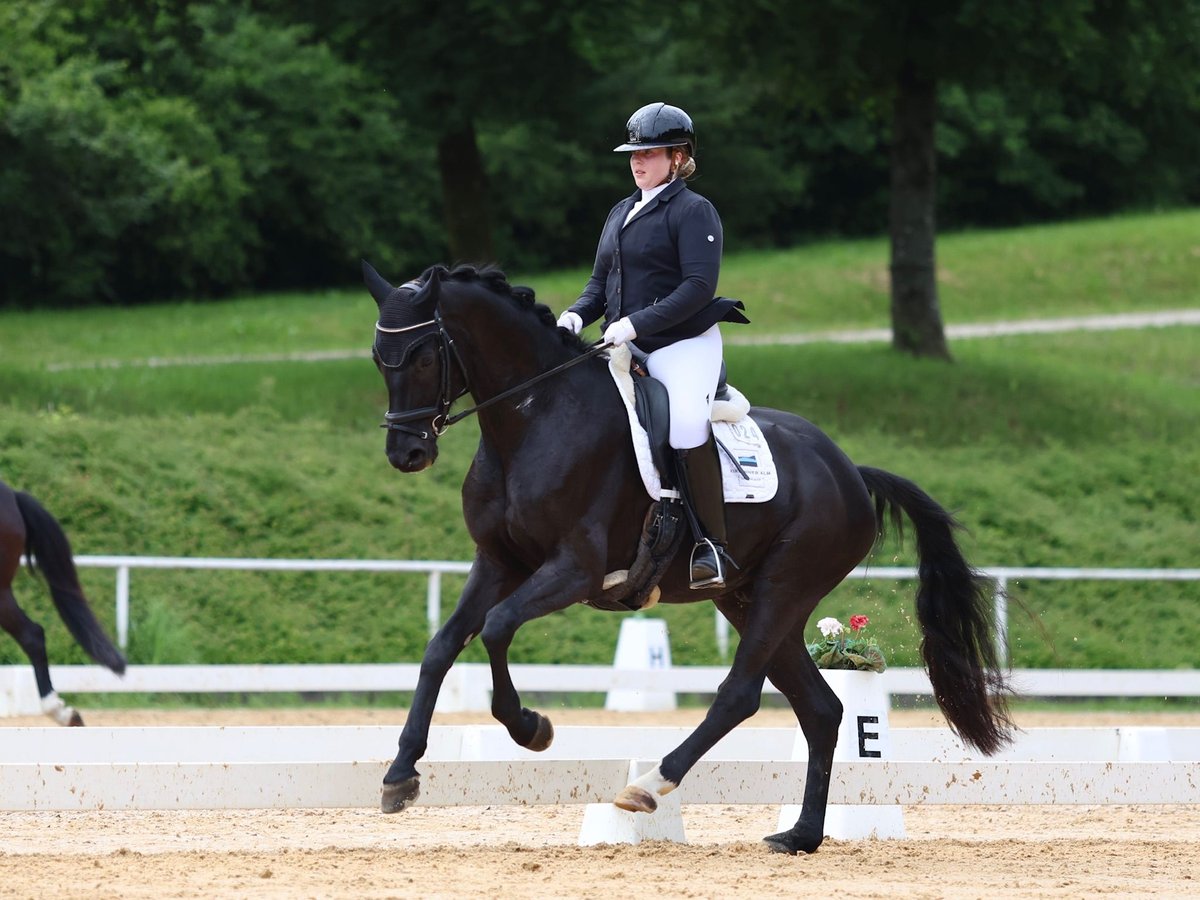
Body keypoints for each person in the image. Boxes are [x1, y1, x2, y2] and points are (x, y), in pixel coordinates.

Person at [557, 101, 748, 590]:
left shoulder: (693, 209)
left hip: (682, 343)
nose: (637, 162)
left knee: (684, 426)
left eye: (650, 154)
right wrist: (579, 312)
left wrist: (636, 324)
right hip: (629, 342)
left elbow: (698, 288)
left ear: (678, 157)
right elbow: (600, 282)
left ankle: (712, 547)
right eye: (633, 154)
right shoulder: (621, 211)